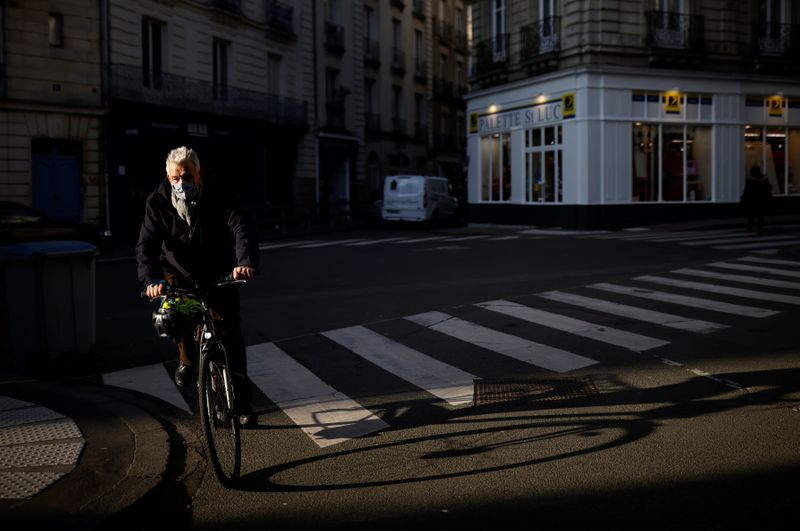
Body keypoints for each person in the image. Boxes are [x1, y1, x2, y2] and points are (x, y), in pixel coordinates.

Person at [136, 146, 259, 426]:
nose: (182, 184)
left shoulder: (219, 193)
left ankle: (241, 404)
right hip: (177, 274)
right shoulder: (156, 202)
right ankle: (186, 359)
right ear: (168, 178)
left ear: (199, 175)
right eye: (175, 179)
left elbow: (240, 226)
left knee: (230, 338)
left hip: (218, 271)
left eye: (187, 177)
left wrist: (244, 262)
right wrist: (151, 280)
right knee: (172, 317)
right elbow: (146, 246)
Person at [741, 164, 772, 235]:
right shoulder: (764, 179)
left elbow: (747, 190)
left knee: (751, 214)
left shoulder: (750, 180)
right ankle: (759, 228)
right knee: (760, 215)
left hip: (752, 200)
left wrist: (743, 198)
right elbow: (769, 187)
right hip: (762, 200)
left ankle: (750, 227)